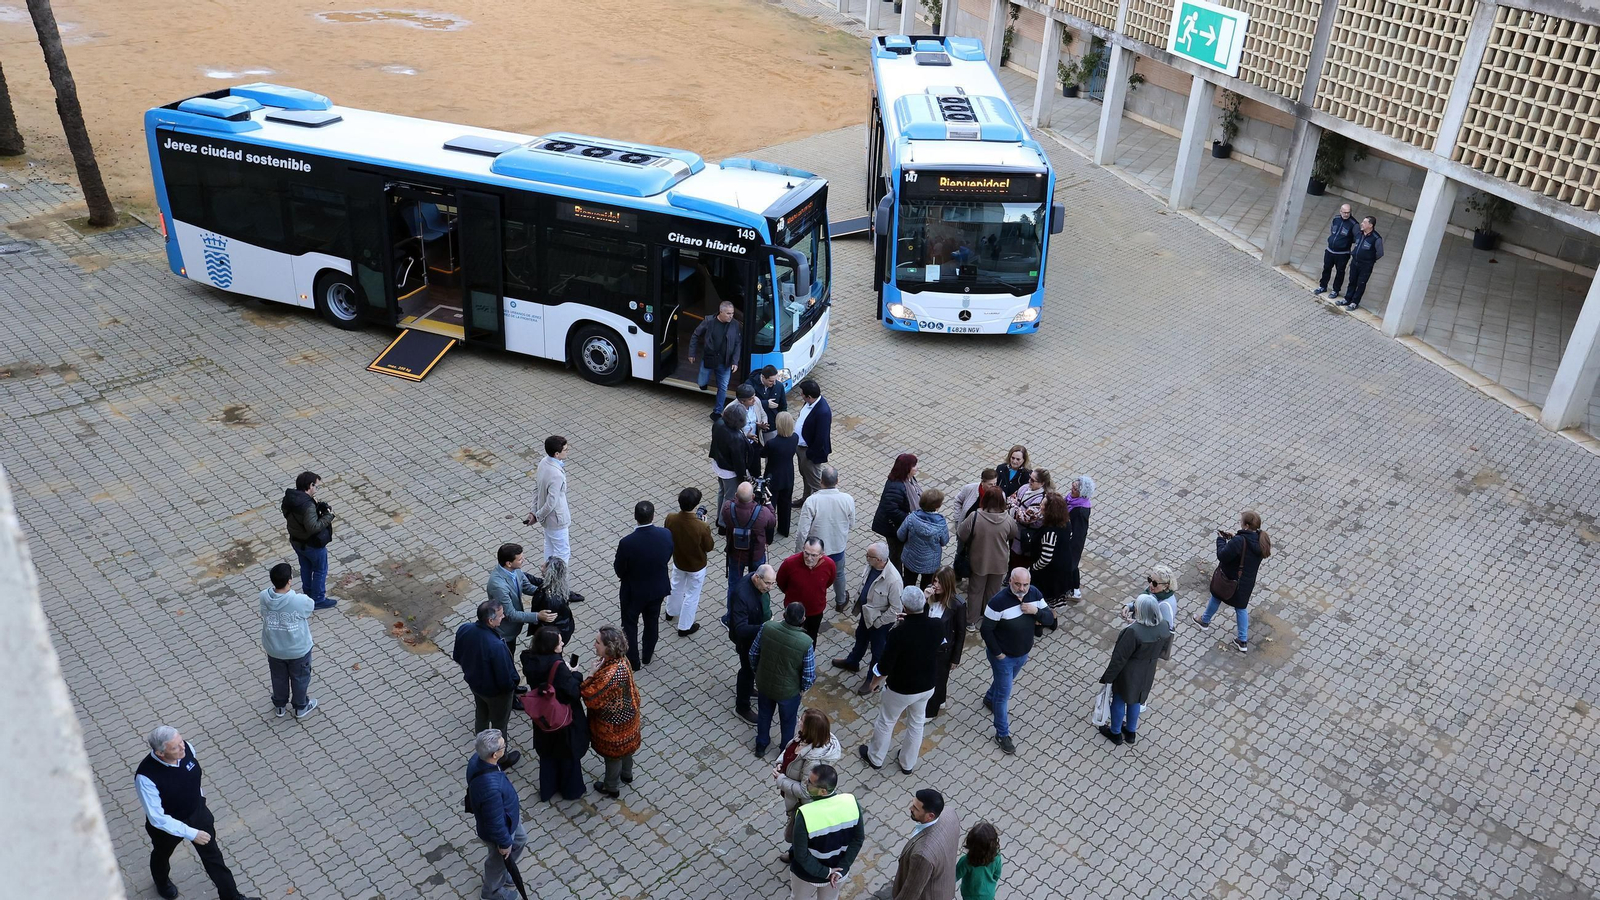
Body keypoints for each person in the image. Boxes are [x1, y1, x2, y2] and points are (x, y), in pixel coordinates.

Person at [134, 726, 261, 900]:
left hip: (197, 813)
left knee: (213, 857)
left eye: (181, 742)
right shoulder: (146, 777)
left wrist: (200, 799)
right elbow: (157, 818)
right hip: (167, 826)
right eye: (175, 747)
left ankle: (232, 897)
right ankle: (162, 882)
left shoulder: (187, 748)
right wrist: (192, 834)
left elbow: (192, 777)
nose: (182, 748)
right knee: (161, 854)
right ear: (160, 753)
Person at [858, 587, 942, 774]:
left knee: (886, 721)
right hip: (927, 685)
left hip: (901, 689)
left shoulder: (899, 633)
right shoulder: (937, 625)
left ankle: (875, 757)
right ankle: (907, 764)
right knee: (916, 723)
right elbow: (933, 638)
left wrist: (873, 683)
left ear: (904, 606)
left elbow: (885, 666)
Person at [979, 568, 1056, 754]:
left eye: (1025, 585)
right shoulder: (997, 602)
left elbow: (1049, 620)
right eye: (1017, 584)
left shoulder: (1034, 594)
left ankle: (989, 698)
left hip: (1022, 654)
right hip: (1003, 658)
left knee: (1003, 685)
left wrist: (1035, 610)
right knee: (1004, 695)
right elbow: (986, 630)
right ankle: (1002, 733)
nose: (1022, 589)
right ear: (1010, 581)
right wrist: (998, 654)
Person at [519, 626, 589, 801]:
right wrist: (575, 674)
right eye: (559, 642)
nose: (563, 643)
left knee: (548, 754)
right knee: (567, 754)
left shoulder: (528, 657)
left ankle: (548, 788)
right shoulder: (558, 668)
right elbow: (573, 692)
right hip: (562, 718)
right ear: (550, 646)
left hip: (542, 715)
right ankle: (571, 790)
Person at [452, 600, 521, 770]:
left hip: (475, 685)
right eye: (501, 615)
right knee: (499, 724)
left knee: (481, 715)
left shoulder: (465, 629)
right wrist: (513, 686)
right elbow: (505, 680)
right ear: (490, 621)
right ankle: (500, 758)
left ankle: (481, 749)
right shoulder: (496, 645)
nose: (504, 617)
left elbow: (457, 655)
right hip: (496, 694)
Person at [1192, 510, 1274, 652]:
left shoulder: (1239, 541)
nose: (1240, 523)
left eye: (1241, 521)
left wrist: (1221, 540)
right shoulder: (1261, 541)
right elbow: (1246, 549)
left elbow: (1222, 555)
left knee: (1217, 596)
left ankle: (1204, 621)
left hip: (1230, 579)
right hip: (1246, 583)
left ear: (1246, 526)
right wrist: (1234, 538)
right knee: (1241, 608)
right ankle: (1242, 640)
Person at [1098, 594, 1173, 746]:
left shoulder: (1133, 632)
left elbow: (1119, 658)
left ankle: (1115, 733)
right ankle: (1131, 732)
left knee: (1119, 699)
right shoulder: (1164, 625)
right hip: (1148, 670)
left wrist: (1108, 678)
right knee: (1136, 700)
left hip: (1128, 672)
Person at [831, 542, 903, 693]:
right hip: (866, 615)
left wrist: (879, 622)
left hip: (879, 623)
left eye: (868, 556)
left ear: (879, 559)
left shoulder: (894, 580)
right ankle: (852, 662)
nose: (865, 558)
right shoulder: (872, 566)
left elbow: (896, 609)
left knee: (878, 651)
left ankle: (872, 680)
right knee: (861, 638)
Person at [580, 626, 643, 798]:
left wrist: (590, 675)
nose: (594, 645)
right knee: (627, 749)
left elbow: (590, 698)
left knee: (614, 756)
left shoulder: (610, 674)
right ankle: (627, 774)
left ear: (609, 647)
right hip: (629, 717)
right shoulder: (622, 660)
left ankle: (611, 786)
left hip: (614, 727)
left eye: (597, 642)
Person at [465, 729, 526, 900]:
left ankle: (505, 871)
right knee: (497, 862)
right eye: (503, 746)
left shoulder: (477, 759)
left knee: (520, 839)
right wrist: (505, 843)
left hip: (509, 819)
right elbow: (495, 821)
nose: (505, 747)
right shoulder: (491, 789)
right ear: (494, 754)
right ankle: (490, 892)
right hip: (500, 831)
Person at [774, 707, 843, 860]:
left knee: (799, 834)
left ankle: (797, 858)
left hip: (802, 804)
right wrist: (780, 762)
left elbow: (806, 791)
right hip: (792, 795)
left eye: (802, 721)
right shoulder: (805, 738)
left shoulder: (813, 761)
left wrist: (780, 779)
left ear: (810, 728)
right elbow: (789, 751)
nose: (799, 721)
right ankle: (795, 854)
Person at [750, 601, 817, 757]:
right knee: (788, 722)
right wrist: (803, 689)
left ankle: (761, 745)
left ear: (784, 615)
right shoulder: (806, 643)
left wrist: (758, 672)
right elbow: (808, 674)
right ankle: (784, 751)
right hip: (789, 692)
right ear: (803, 619)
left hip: (765, 684)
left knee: (764, 715)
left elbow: (753, 653)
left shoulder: (767, 627)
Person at [787, 764, 864, 900]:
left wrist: (826, 872)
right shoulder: (851, 802)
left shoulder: (806, 814)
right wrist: (841, 868)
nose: (806, 783)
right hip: (838, 874)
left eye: (810, 782)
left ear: (822, 791)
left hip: (807, 875)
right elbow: (858, 839)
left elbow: (801, 854)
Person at [614, 500, 674, 670]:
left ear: (635, 517)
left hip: (633, 591)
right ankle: (647, 655)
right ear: (653, 516)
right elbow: (668, 555)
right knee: (652, 620)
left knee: (630, 624)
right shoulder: (666, 534)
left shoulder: (627, 543)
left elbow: (619, 568)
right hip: (657, 588)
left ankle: (633, 662)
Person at [258, 562, 318, 719]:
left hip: (274, 648)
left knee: (278, 678)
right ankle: (300, 707)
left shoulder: (264, 596)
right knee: (299, 679)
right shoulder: (299, 600)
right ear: (289, 580)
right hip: (298, 650)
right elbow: (310, 607)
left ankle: (279, 706)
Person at [795, 464, 856, 612]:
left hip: (816, 551)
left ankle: (814, 603)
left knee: (815, 577)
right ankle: (841, 601)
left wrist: (799, 552)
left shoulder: (812, 501)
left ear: (821, 481)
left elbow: (802, 531)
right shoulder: (847, 499)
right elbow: (851, 524)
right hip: (837, 547)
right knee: (839, 574)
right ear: (838, 481)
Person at [957, 488, 1017, 630]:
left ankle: (971, 621)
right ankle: (990, 618)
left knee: (975, 591)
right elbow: (1013, 533)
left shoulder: (975, 517)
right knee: (993, 591)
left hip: (979, 561)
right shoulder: (1007, 518)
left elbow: (961, 533)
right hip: (999, 562)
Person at [726, 564, 777, 724]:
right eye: (767, 583)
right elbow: (740, 628)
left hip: (757, 636)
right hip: (746, 641)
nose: (770, 587)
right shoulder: (741, 594)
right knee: (747, 671)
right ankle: (742, 707)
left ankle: (748, 690)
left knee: (753, 668)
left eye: (772, 583)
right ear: (757, 577)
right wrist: (764, 628)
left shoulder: (760, 586)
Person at [487, 542, 549, 672]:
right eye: (520, 559)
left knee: (509, 657)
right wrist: (538, 616)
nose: (523, 560)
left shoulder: (515, 570)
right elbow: (511, 614)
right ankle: (509, 686)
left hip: (512, 630)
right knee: (505, 661)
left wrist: (546, 592)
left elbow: (527, 587)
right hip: (504, 632)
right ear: (508, 563)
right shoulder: (498, 585)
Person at [890, 788, 962, 900]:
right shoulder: (950, 813)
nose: (910, 808)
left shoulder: (922, 855)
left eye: (916, 808)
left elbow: (910, 893)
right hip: (945, 885)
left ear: (930, 816)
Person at [663, 487, 715, 636]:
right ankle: (684, 627)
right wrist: (706, 526)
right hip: (696, 566)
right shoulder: (701, 526)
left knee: (676, 585)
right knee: (692, 595)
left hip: (679, 560)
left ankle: (670, 611)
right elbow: (709, 546)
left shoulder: (671, 518)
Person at [280, 471, 335, 609]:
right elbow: (313, 527)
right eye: (316, 486)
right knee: (320, 570)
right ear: (310, 486)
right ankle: (318, 599)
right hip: (312, 544)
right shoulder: (307, 505)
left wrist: (316, 506)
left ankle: (308, 592)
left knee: (305, 567)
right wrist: (328, 516)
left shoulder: (290, 498)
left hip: (297, 541)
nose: (316, 490)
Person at [526, 435, 576, 577]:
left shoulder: (543, 462)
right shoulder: (556, 474)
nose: (568, 451)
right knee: (562, 553)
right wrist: (538, 515)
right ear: (557, 454)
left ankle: (549, 578)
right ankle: (558, 585)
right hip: (556, 519)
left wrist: (534, 511)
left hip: (547, 520)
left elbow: (537, 488)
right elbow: (551, 503)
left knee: (549, 547)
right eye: (565, 450)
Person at [720, 480, 776, 601]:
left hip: (735, 553)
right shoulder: (763, 512)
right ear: (753, 496)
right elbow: (772, 522)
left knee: (734, 585)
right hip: (756, 555)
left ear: (736, 495)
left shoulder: (727, 508)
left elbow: (726, 514)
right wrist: (768, 503)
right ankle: (755, 612)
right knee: (758, 585)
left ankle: (731, 616)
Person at [776, 538, 838, 645]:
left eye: (814, 555)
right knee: (790, 639)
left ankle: (807, 659)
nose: (809, 558)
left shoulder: (830, 565)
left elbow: (829, 582)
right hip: (793, 612)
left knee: (810, 638)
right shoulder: (789, 563)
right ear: (803, 549)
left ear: (821, 554)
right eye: (806, 553)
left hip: (815, 611)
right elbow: (781, 582)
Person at [923, 566, 966, 718]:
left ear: (948, 584)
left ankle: (930, 713)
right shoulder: (929, 594)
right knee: (933, 679)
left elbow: (961, 633)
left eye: (940, 582)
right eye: (935, 580)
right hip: (926, 647)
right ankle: (940, 700)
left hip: (943, 652)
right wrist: (924, 598)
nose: (936, 585)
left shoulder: (957, 605)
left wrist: (955, 658)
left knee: (938, 680)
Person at [689, 299, 741, 417]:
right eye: (728, 313)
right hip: (709, 358)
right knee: (701, 381)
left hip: (725, 362)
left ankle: (717, 412)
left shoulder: (735, 324)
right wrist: (691, 353)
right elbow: (696, 335)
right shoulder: (709, 321)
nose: (731, 316)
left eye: (732, 313)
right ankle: (704, 384)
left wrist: (735, 361)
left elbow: (738, 343)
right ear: (720, 312)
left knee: (723, 387)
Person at [872, 454, 920, 571]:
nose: (917, 467)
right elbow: (892, 510)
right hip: (893, 528)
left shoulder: (909, 479)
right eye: (914, 465)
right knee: (896, 554)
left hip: (899, 525)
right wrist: (909, 518)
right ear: (906, 468)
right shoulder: (896, 486)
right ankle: (895, 576)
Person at [896, 488, 949, 589]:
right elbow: (944, 541)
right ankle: (924, 604)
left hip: (910, 559)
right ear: (938, 506)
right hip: (931, 563)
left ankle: (907, 603)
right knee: (927, 587)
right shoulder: (941, 524)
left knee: (908, 584)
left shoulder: (911, 518)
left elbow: (900, 535)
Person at [1029, 495, 1073, 606]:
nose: (1040, 506)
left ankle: (1046, 620)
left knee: (1046, 604)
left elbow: (1046, 558)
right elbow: (1070, 538)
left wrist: (1033, 568)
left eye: (1043, 504)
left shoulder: (1050, 532)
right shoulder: (1066, 522)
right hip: (1063, 566)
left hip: (1050, 575)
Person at [794, 379, 833, 506]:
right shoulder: (809, 403)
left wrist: (810, 454)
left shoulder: (823, 412)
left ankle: (822, 507)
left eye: (802, 393)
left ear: (809, 396)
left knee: (815, 481)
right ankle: (806, 499)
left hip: (809, 451)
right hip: (801, 448)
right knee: (805, 475)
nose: (801, 395)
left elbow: (820, 438)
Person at [709, 402, 751, 518]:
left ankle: (719, 516)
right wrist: (743, 477)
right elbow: (739, 462)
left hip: (719, 464)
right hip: (729, 471)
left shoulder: (719, 423)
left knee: (722, 491)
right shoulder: (736, 438)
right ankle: (723, 523)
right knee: (730, 496)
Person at [763, 411, 800, 536]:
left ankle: (768, 534)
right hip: (788, 475)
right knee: (786, 504)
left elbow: (762, 454)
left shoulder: (772, 443)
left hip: (773, 478)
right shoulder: (795, 438)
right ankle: (784, 530)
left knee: (770, 505)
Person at [1313, 203, 1361, 299]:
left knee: (1340, 272)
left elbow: (1357, 238)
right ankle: (1323, 286)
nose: (1346, 214)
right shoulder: (1336, 219)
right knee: (1326, 268)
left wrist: (1345, 242)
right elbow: (1333, 230)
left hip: (1342, 253)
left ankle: (1335, 290)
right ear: (1340, 211)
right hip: (1330, 250)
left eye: (1348, 212)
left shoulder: (1354, 224)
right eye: (1344, 212)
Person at [1338, 216, 1384, 310]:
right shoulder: (1359, 233)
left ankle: (1354, 302)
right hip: (1355, 262)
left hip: (1365, 266)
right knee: (1352, 281)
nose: (1361, 224)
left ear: (1370, 225)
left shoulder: (1376, 238)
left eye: (1364, 222)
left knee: (1361, 284)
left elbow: (1380, 253)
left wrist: (1369, 260)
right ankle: (1347, 299)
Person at [528, 557, 576, 644]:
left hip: (553, 638)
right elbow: (537, 581)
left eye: (544, 566)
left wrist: (538, 639)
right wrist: (519, 573)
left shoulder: (551, 600)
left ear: (549, 572)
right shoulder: (556, 585)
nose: (541, 566)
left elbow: (546, 624)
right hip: (562, 630)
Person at [1062, 475, 1095, 601]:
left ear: (1082, 493)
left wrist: (1068, 544)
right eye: (1073, 485)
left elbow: (1078, 533)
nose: (1072, 489)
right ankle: (1074, 589)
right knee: (1071, 565)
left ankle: (1072, 590)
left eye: (1075, 488)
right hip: (1069, 539)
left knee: (1071, 564)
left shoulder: (1081, 510)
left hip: (1073, 543)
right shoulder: (1072, 499)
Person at [955, 822, 1002, 900]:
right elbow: (996, 875)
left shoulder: (966, 861)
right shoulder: (996, 857)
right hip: (988, 894)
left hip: (969, 896)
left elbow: (954, 876)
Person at [1124, 565, 1178, 630]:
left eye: (1155, 583)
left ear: (1165, 586)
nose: (1150, 585)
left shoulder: (1165, 606)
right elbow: (1142, 603)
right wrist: (1129, 606)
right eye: (1150, 580)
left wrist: (1137, 625)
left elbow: (1164, 630)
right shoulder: (1154, 590)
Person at [736, 382, 769, 475]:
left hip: (754, 443)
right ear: (742, 401)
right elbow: (729, 431)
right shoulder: (732, 409)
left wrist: (763, 423)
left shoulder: (757, 401)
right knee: (743, 471)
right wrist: (746, 436)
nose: (754, 400)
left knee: (756, 469)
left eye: (754, 396)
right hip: (741, 446)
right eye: (751, 399)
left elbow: (763, 414)